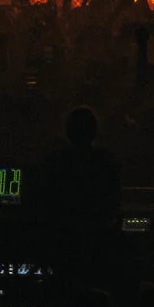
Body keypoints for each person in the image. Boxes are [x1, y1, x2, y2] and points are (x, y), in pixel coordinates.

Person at [31, 104, 123, 288]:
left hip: (62, 240)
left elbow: (43, 202)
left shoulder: (55, 161)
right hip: (97, 238)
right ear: (94, 131)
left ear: (68, 131)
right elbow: (114, 199)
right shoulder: (106, 161)